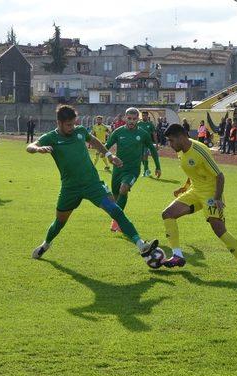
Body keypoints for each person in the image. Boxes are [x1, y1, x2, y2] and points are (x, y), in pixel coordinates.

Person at [26, 105, 159, 261]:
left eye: (74, 123)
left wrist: (109, 155)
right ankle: (45, 244)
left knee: (115, 210)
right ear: (59, 123)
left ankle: (141, 244)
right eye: (69, 125)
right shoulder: (51, 137)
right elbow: (30, 146)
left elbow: (94, 141)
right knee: (59, 223)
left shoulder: (80, 131)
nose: (72, 127)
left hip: (92, 184)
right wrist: (38, 149)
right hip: (70, 188)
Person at [160, 123, 237, 275]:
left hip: (211, 194)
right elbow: (194, 171)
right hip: (195, 191)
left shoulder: (200, 150)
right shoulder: (181, 151)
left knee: (219, 230)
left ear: (181, 137)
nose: (170, 144)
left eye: (171, 141)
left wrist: (217, 198)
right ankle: (177, 255)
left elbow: (220, 175)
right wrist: (184, 188)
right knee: (168, 214)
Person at [106, 107, 161, 232]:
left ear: (138, 119)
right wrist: (106, 154)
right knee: (116, 196)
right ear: (125, 118)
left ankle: (117, 221)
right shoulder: (118, 132)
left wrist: (158, 166)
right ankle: (119, 220)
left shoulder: (143, 134)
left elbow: (152, 150)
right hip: (118, 169)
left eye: (134, 119)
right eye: (129, 118)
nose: (131, 121)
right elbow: (107, 146)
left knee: (124, 189)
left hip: (132, 170)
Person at [137, 110, 158, 177]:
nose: (144, 117)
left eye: (145, 115)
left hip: (147, 143)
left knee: (145, 156)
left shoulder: (150, 124)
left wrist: (156, 143)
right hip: (140, 143)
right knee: (141, 158)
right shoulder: (139, 123)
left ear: (147, 116)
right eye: (143, 115)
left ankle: (145, 171)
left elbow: (154, 134)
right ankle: (147, 170)